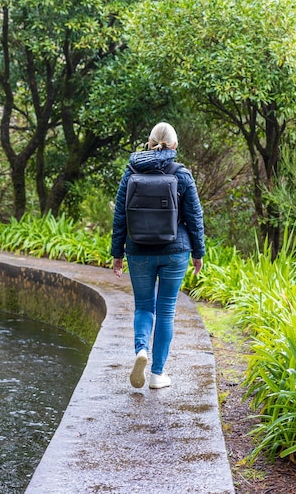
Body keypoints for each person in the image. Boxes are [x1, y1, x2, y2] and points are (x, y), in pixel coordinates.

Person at [111, 122, 205, 390]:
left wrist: (117, 253)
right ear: (174, 146)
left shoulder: (130, 174)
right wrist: (198, 252)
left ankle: (141, 349)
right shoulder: (182, 175)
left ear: (149, 143)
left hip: (138, 250)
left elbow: (120, 217)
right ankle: (157, 374)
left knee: (143, 306)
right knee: (166, 311)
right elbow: (194, 217)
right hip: (175, 251)